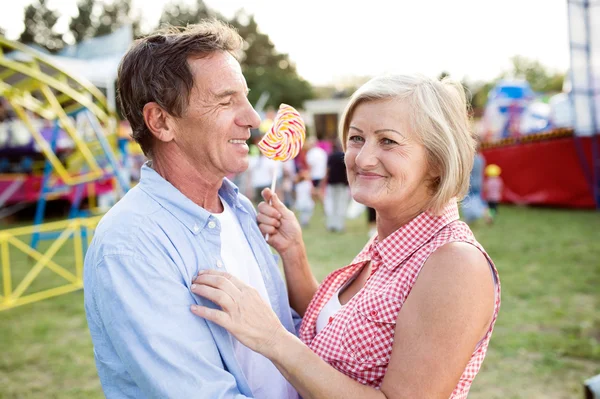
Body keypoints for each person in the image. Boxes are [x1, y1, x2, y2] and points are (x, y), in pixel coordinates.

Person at [190, 74, 501, 399]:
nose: (362, 158)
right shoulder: (390, 243)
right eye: (356, 138)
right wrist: (293, 251)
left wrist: (272, 338)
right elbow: (339, 329)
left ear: (437, 161)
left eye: (388, 141)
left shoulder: (455, 265)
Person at [83, 22, 299, 399]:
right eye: (226, 100)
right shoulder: (132, 244)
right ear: (161, 121)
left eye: (245, 98)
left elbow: (284, 332)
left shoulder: (241, 208)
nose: (251, 118)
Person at [323, 139, 350, 232]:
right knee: (341, 204)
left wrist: (324, 182)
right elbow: (347, 171)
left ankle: (331, 224)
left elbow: (327, 170)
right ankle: (340, 225)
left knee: (332, 204)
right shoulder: (344, 156)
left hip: (331, 183)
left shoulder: (330, 156)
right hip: (342, 184)